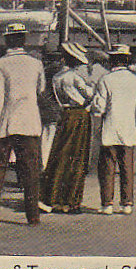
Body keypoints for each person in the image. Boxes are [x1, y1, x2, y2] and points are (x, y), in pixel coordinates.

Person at [0, 23, 45, 226]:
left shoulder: (0, 65)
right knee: (31, 171)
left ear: (7, 41)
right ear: (24, 40)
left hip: (5, 124)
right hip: (30, 123)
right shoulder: (36, 64)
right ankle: (33, 216)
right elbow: (40, 90)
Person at [91, 44, 136, 215]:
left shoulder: (105, 80)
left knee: (107, 168)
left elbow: (99, 107)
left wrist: (97, 125)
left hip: (109, 128)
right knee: (127, 167)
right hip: (129, 129)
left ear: (112, 60)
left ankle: (107, 204)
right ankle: (127, 203)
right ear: (127, 60)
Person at [39, 42, 95, 213]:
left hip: (64, 114)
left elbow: (55, 97)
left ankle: (51, 196)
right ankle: (70, 201)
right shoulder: (76, 77)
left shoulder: (57, 77)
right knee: (77, 158)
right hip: (79, 116)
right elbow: (90, 95)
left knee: (59, 155)